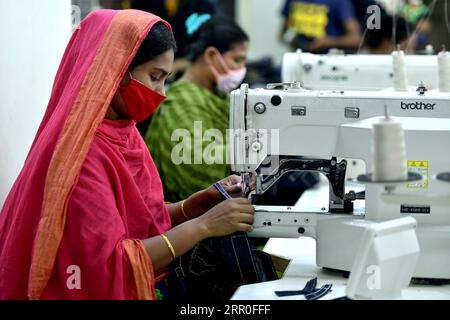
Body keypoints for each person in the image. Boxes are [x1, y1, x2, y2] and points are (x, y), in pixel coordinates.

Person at [0, 9, 255, 300]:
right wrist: (204, 226)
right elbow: (112, 264)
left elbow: (141, 220)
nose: (161, 92)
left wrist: (195, 205)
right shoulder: (83, 156)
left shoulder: (124, 131)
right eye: (154, 77)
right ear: (117, 70)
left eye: (164, 79)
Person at [145, 14, 249, 203]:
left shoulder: (219, 97)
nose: (242, 69)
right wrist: (259, 147)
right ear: (211, 56)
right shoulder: (181, 103)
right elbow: (197, 166)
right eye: (237, 60)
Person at [279, 0, 361, 53]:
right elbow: (282, 35)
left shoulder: (339, 2)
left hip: (327, 63)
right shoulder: (291, 1)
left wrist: (330, 42)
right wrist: (292, 40)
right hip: (300, 61)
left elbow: (356, 40)